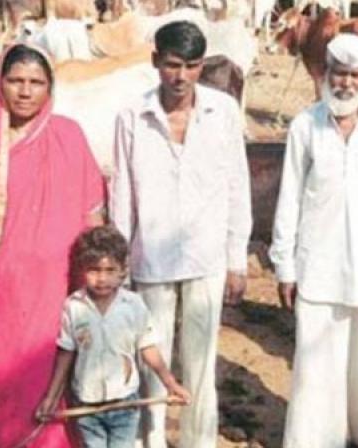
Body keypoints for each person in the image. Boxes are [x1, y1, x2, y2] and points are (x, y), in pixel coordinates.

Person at [0, 43, 106, 447]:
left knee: (60, 396)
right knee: (8, 395)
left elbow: (93, 219)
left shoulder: (68, 135)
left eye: (36, 82)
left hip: (60, 293)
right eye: (16, 81)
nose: (25, 91)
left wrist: (97, 292)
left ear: (50, 87)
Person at [109, 21, 252, 448]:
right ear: (156, 62)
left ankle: (198, 441)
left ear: (202, 66)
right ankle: (151, 439)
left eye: (191, 66)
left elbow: (236, 186)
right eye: (172, 65)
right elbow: (122, 195)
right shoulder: (132, 115)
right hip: (150, 257)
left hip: (207, 256)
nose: (181, 76)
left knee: (201, 363)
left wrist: (236, 259)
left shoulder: (222, 111)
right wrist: (121, 268)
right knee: (151, 358)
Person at [269, 34, 358, 448]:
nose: (346, 84)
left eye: (355, 75)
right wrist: (284, 265)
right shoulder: (305, 125)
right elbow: (289, 198)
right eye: (339, 74)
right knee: (314, 362)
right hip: (318, 262)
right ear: (326, 74)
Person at [36, 226, 191, 448]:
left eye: (110, 270)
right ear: (82, 270)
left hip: (125, 403)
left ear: (123, 271)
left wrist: (170, 382)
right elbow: (66, 353)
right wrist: (51, 397)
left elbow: (147, 347)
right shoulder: (74, 307)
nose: (102, 279)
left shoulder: (133, 306)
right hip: (87, 405)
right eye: (94, 270)